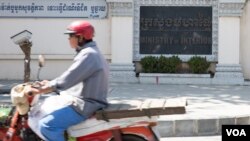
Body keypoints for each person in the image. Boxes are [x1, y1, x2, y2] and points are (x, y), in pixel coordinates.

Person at [24, 20, 109, 141]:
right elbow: (71, 77)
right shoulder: (91, 52)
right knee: (44, 107)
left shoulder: (88, 54)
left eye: (70, 36)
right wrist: (48, 83)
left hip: (84, 105)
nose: (68, 39)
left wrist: (40, 90)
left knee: (47, 126)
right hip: (86, 101)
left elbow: (67, 80)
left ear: (80, 37)